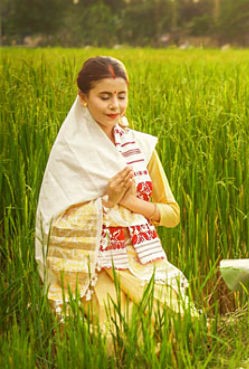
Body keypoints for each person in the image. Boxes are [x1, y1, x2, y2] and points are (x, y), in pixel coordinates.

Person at [35, 56, 196, 350]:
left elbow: (172, 214)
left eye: (121, 96)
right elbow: (53, 225)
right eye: (104, 97)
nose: (115, 106)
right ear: (83, 98)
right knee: (116, 335)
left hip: (143, 258)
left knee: (178, 324)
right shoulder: (71, 152)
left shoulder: (141, 147)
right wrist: (105, 203)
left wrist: (132, 202)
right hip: (96, 263)